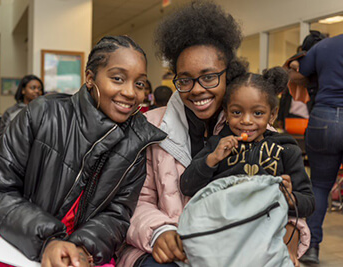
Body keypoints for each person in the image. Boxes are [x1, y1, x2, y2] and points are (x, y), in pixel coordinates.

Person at [117, 2, 310, 267]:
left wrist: (290, 234)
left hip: (240, 250)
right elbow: (133, 201)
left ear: (227, 75)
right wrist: (159, 230)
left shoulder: (262, 134)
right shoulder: (149, 128)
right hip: (168, 253)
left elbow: (289, 202)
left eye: (209, 77)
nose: (196, 89)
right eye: (185, 79)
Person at [0, 35, 166, 267]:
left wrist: (81, 249)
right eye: (117, 78)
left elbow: (117, 215)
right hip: (9, 240)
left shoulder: (137, 141)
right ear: (90, 78)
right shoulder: (42, 114)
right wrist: (49, 241)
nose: (130, 93)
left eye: (139, 83)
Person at [180, 66, 315, 219]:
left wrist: (290, 199)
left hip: (265, 232)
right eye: (237, 112)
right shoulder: (217, 145)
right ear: (226, 113)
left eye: (258, 113)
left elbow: (309, 202)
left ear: (272, 115)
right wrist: (212, 159)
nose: (246, 121)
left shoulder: (286, 148)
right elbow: (187, 186)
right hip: (221, 229)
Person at [288, 33, 343, 264]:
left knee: (320, 185)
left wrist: (293, 63)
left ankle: (311, 249)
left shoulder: (324, 46)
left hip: (325, 117)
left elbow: (299, 71)